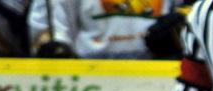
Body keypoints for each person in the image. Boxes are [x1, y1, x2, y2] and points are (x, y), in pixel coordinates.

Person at [27, 0, 181, 58]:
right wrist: (56, 49)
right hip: (88, 70)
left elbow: (186, 12)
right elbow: (47, 29)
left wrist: (178, 30)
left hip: (156, 67)